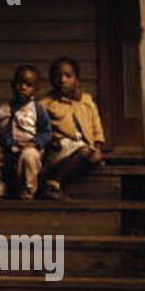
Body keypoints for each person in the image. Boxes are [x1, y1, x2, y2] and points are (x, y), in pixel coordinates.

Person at [0, 64, 52, 200]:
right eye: (20, 83)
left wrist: (34, 143)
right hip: (6, 152)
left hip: (26, 152)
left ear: (35, 89)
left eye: (28, 85)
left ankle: (27, 190)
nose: (23, 87)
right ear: (12, 85)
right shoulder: (3, 109)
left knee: (30, 155)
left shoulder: (38, 110)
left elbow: (46, 132)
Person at [40, 56, 106, 199]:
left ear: (76, 79)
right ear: (52, 80)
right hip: (59, 149)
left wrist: (98, 144)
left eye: (68, 76)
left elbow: (96, 125)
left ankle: (58, 181)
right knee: (84, 151)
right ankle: (53, 182)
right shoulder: (46, 104)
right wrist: (51, 141)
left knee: (95, 157)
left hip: (84, 148)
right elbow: (41, 130)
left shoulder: (86, 100)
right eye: (58, 76)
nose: (63, 80)